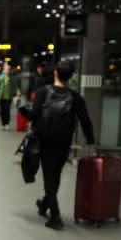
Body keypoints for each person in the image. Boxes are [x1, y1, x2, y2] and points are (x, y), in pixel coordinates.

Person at [19, 60, 95, 230]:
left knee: (48, 176)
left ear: (55, 73)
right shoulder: (75, 97)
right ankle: (45, 204)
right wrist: (90, 140)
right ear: (71, 77)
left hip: (45, 140)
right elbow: (85, 121)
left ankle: (55, 216)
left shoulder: (42, 92)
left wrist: (23, 110)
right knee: (56, 173)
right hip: (64, 142)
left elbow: (33, 115)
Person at [0, 63, 19, 130]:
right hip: (1, 97)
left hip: (9, 97)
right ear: (4, 70)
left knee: (7, 110)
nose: (8, 70)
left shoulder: (13, 78)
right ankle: (3, 124)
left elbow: (16, 87)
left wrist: (18, 92)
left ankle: (7, 124)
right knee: (3, 111)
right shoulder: (0, 78)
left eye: (9, 69)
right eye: (7, 69)